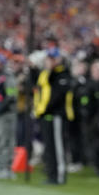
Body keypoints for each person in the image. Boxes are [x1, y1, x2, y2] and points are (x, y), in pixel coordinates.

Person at [33, 48, 74, 185]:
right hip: (46, 114)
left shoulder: (63, 74)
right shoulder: (47, 74)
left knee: (58, 147)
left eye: (52, 59)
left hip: (58, 115)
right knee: (49, 146)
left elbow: (57, 96)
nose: (49, 61)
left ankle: (60, 175)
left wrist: (44, 109)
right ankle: (51, 174)